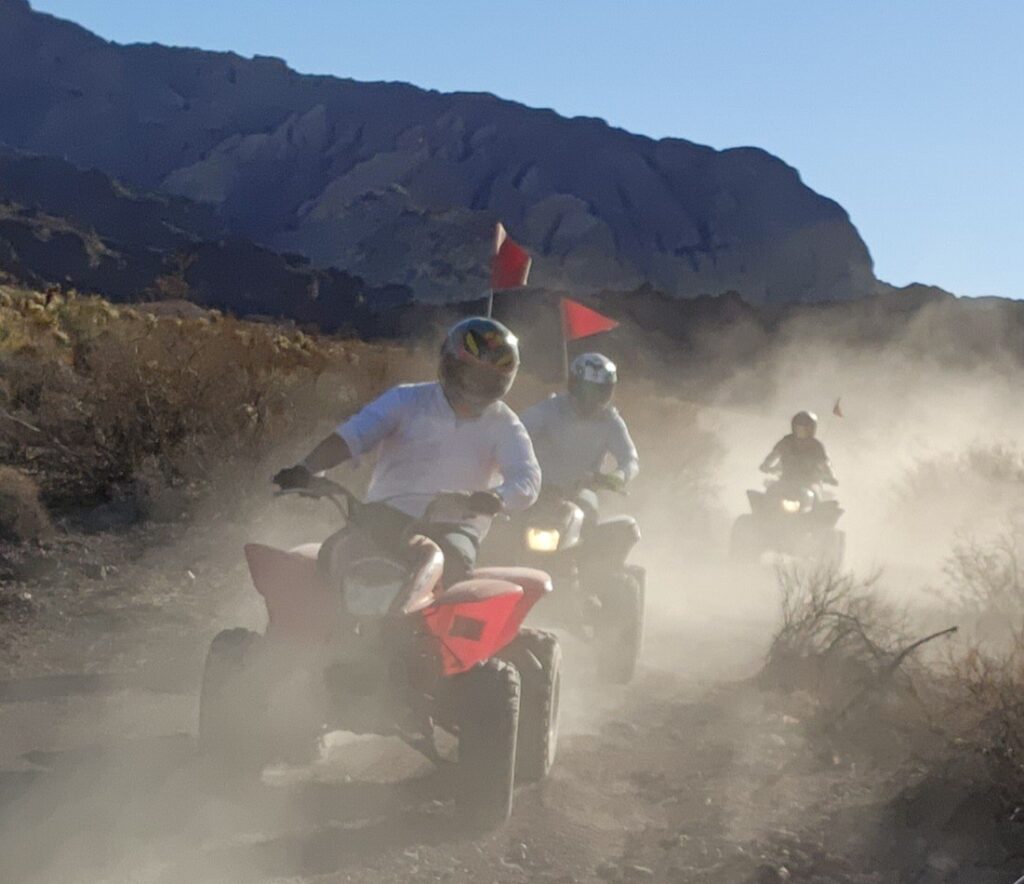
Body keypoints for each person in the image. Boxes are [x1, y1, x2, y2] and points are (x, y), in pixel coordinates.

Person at [273, 317, 541, 586]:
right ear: (450, 365)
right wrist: (307, 468)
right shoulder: (405, 400)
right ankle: (326, 627)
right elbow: (352, 436)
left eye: (487, 379)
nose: (477, 385)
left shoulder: (504, 424)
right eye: (471, 373)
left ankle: (433, 629)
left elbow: (527, 478)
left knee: (453, 567)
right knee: (335, 554)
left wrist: (496, 498)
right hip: (384, 516)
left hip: (454, 527)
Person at [521, 352, 639, 523]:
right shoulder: (547, 411)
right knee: (505, 523)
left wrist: (619, 476)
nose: (591, 398)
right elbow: (514, 436)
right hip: (535, 489)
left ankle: (592, 550)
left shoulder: (611, 421)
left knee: (591, 521)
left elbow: (630, 459)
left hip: (581, 492)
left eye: (599, 392)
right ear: (573, 385)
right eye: (586, 390)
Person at [759, 411, 838, 486]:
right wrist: (765, 465)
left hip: (810, 483)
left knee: (816, 495)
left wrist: (831, 477)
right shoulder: (786, 442)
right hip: (786, 481)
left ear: (812, 429)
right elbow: (774, 455)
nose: (802, 431)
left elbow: (825, 464)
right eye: (799, 428)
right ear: (793, 428)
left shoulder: (816, 446)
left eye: (805, 429)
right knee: (772, 491)